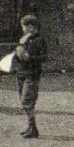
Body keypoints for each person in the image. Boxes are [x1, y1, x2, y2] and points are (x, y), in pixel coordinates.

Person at [12, 11, 48, 139]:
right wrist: (18, 53)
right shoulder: (24, 40)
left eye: (24, 26)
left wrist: (29, 58)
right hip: (21, 73)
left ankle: (33, 128)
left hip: (32, 75)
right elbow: (18, 55)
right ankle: (31, 127)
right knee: (24, 101)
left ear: (32, 27)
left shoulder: (40, 40)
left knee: (26, 101)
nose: (23, 29)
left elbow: (44, 57)